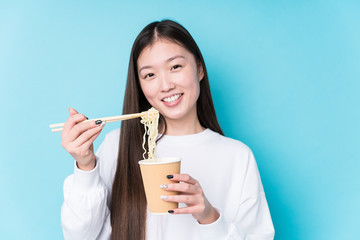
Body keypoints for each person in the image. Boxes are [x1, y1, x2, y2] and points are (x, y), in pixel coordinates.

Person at [60, 19, 275, 240]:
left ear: (200, 69)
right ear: (140, 85)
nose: (165, 85)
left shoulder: (237, 156)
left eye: (175, 67)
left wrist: (209, 216)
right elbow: (80, 237)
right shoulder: (118, 145)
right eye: (149, 75)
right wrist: (85, 166)